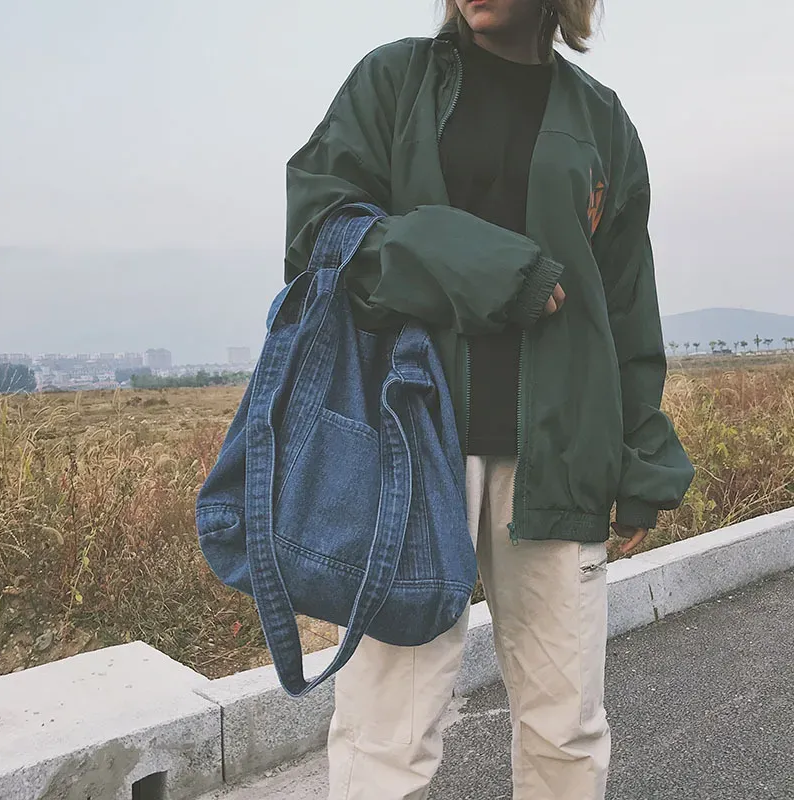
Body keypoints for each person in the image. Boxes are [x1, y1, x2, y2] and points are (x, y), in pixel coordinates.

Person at [284, 1, 695, 798]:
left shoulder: (602, 121)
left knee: (566, 731)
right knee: (385, 734)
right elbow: (321, 231)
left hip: (559, 455)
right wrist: (480, 266)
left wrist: (639, 454)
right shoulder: (393, 81)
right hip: (411, 447)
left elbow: (624, 303)